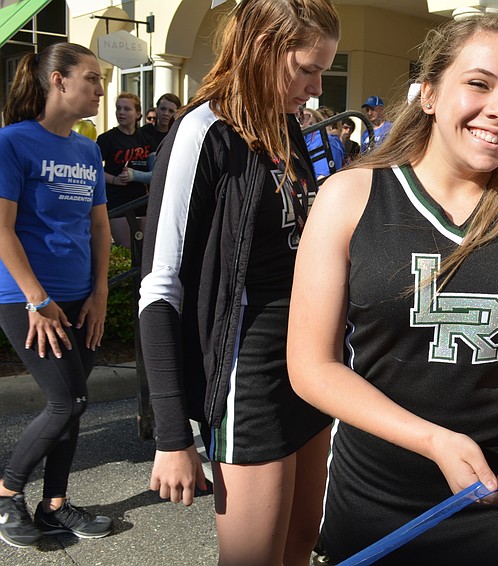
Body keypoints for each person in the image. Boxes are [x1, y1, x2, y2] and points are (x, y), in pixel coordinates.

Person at [288, 14, 498, 565]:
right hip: (373, 494)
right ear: (428, 94)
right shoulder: (349, 195)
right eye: (479, 83)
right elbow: (311, 367)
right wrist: (433, 440)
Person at [138, 1, 339, 564]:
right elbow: (159, 286)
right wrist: (172, 435)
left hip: (309, 361)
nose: (317, 88)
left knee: (302, 542)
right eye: (307, 69)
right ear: (261, 51)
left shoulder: (287, 128)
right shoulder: (202, 131)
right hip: (247, 373)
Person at [0, 42, 113, 548]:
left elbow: (100, 228)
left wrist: (100, 291)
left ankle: (55, 506)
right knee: (68, 400)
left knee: (76, 403)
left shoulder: (88, 149)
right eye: (91, 78)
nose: (99, 89)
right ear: (58, 81)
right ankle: (7, 493)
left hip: (79, 297)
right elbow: (2, 229)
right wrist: (37, 300)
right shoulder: (12, 142)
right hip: (26, 299)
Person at [97, 92, 152, 248]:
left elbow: (155, 171)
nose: (121, 112)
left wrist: (136, 176)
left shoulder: (146, 139)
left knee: (144, 247)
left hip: (140, 198)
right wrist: (114, 179)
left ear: (138, 114)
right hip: (117, 200)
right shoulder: (106, 139)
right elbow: (94, 170)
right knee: (126, 247)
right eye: (118, 108)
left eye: (127, 109)